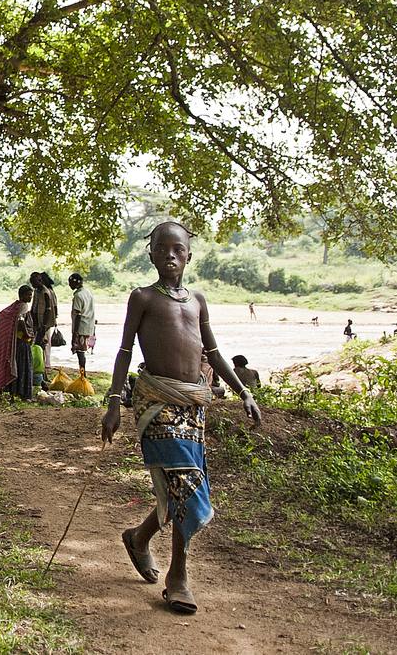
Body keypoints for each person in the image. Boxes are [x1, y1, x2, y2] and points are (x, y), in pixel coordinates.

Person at [101, 221, 262, 617]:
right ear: (150, 253)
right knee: (186, 487)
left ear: (189, 254)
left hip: (193, 407)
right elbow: (123, 351)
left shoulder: (198, 301)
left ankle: (139, 537)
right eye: (162, 249)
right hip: (157, 403)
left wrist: (244, 392)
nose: (170, 256)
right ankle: (179, 576)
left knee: (180, 488)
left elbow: (215, 351)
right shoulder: (142, 298)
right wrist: (113, 402)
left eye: (178, 249)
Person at [0, 286, 36, 399]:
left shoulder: (15, 306)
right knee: (23, 366)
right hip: (22, 342)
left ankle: (13, 392)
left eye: (31, 295)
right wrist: (27, 334)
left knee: (15, 366)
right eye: (28, 295)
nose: (30, 297)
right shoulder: (23, 306)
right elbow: (20, 321)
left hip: (15, 342)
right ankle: (21, 393)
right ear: (21, 295)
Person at [30, 271, 57, 372]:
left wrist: (44, 325)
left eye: (34, 282)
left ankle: (42, 368)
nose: (32, 285)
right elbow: (34, 308)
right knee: (38, 345)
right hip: (37, 323)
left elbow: (48, 309)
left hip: (43, 324)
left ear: (39, 281)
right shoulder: (37, 292)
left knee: (41, 345)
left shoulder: (46, 292)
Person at [69, 272, 96, 371]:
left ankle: (82, 374)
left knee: (80, 353)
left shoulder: (78, 296)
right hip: (88, 326)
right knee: (81, 352)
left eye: (70, 283)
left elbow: (78, 315)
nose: (69, 285)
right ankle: (82, 373)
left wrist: (75, 333)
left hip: (81, 327)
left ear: (75, 283)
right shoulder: (87, 292)